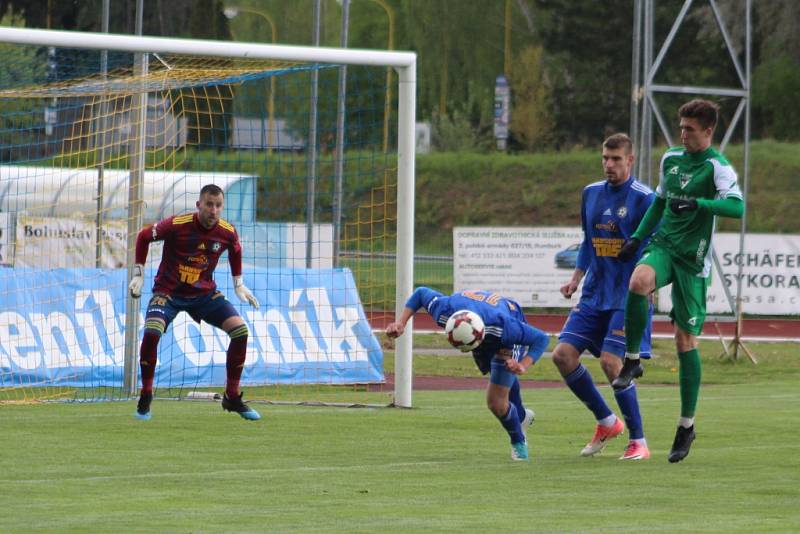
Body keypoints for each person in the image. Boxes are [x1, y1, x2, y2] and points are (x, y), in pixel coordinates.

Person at [614, 99, 744, 462]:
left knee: (685, 340)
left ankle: (686, 425)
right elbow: (658, 202)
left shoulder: (717, 167)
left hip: (693, 260)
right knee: (639, 281)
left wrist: (702, 204)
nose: (682, 134)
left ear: (708, 130)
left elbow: (737, 207)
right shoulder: (670, 159)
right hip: (665, 245)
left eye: (690, 129)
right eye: (681, 127)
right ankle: (632, 359)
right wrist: (638, 238)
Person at [552, 133, 655, 460]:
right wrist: (576, 278)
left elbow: (655, 247)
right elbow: (588, 240)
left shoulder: (645, 198)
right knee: (562, 356)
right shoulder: (591, 193)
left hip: (627, 297)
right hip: (595, 294)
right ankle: (607, 422)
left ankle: (638, 441)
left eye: (616, 159)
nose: (609, 165)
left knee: (612, 363)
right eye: (605, 159)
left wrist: (648, 284)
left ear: (630, 161)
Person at [128, 184, 262, 421]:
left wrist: (238, 283)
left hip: (203, 294)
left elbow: (236, 250)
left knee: (240, 331)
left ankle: (231, 397)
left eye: (218, 205)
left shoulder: (227, 232)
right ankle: (146, 393)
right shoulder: (177, 225)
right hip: (168, 292)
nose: (213, 210)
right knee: (152, 331)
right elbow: (144, 236)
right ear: (199, 205)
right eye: (209, 204)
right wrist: (138, 272)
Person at [386, 287, 550, 462]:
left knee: (495, 401)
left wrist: (523, 365)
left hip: (508, 318)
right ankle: (522, 417)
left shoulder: (504, 327)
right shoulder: (444, 310)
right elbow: (420, 293)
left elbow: (541, 339)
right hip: (480, 315)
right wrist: (401, 323)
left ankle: (519, 442)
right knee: (498, 379)